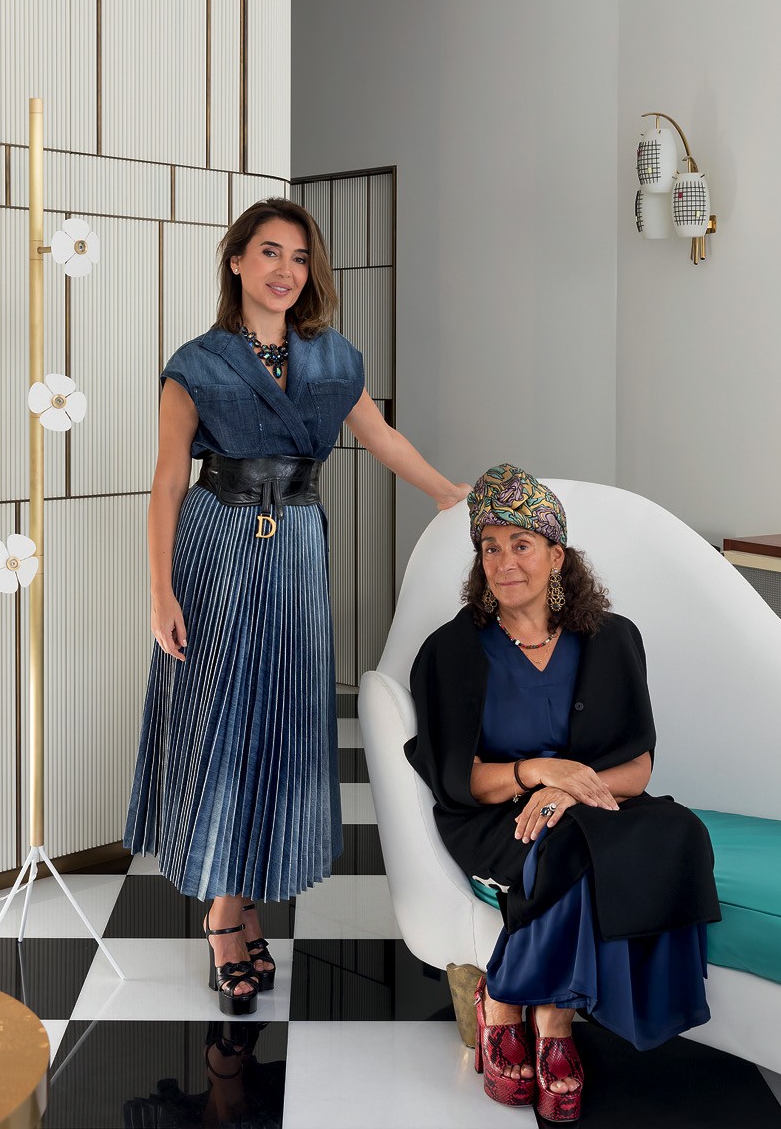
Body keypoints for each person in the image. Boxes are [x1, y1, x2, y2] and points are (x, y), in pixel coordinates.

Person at [124, 196, 468, 1016]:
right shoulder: (197, 363)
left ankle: (245, 901)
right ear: (237, 260)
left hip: (299, 544)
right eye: (271, 252)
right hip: (219, 541)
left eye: (300, 256)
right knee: (222, 716)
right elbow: (168, 482)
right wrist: (160, 590)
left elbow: (382, 439)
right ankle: (222, 912)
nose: (286, 270)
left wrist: (449, 493)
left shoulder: (331, 358)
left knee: (282, 715)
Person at [406, 464, 721, 1123]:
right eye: (490, 547)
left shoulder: (612, 638)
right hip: (494, 816)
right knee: (574, 846)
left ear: (557, 555)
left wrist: (574, 791)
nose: (504, 562)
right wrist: (539, 773)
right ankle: (554, 1026)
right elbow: (461, 779)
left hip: (593, 806)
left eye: (521, 544)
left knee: (680, 830)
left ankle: (508, 996)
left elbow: (638, 767)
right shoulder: (452, 651)